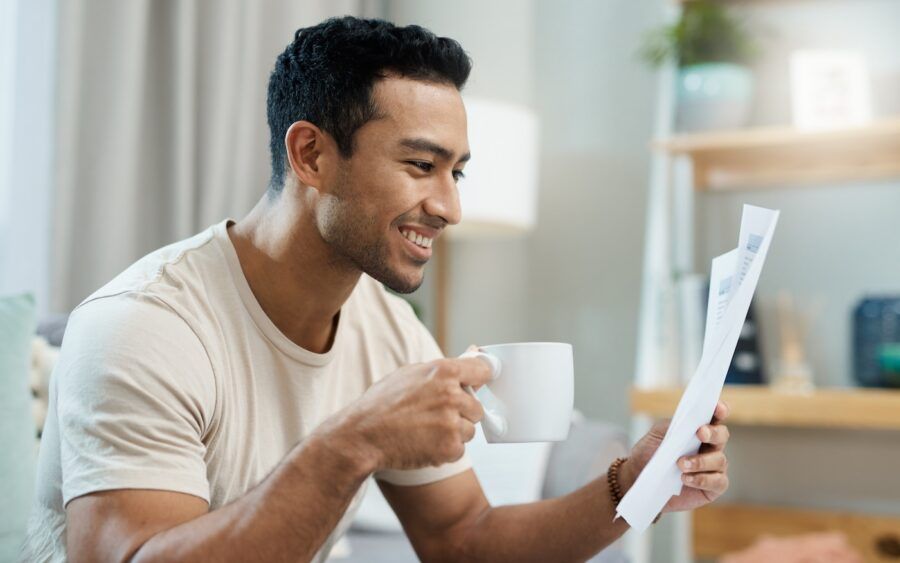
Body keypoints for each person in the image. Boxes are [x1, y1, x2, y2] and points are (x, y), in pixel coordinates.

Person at [23, 16, 730, 562]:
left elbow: (464, 537)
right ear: (311, 155)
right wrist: (351, 440)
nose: (449, 206)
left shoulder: (388, 330)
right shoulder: (143, 326)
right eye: (421, 164)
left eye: (457, 173)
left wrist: (633, 483)